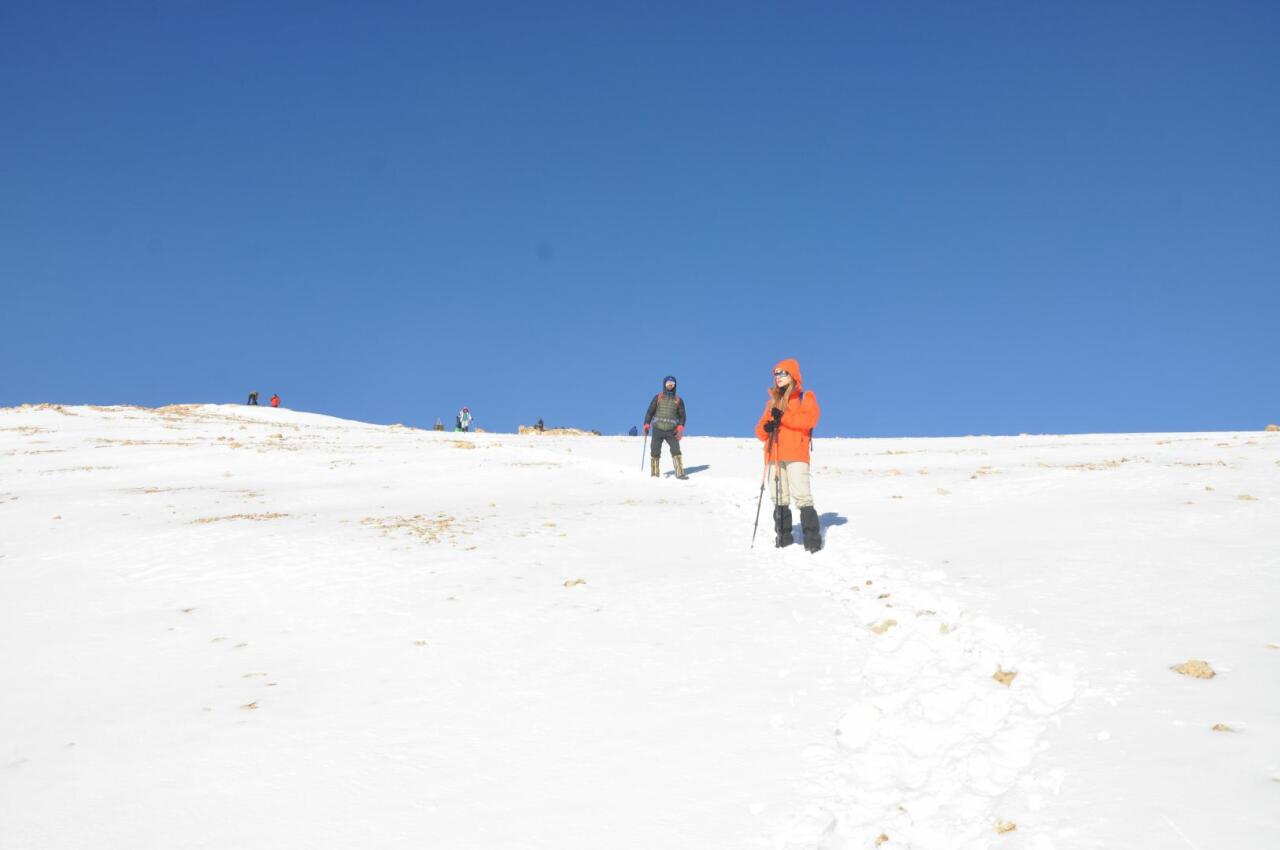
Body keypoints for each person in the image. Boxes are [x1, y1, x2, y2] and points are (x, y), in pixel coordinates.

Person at [755, 358, 821, 552]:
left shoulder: (805, 397)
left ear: (793, 375)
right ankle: (783, 539)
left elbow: (809, 420)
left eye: (782, 373)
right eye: (776, 374)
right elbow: (759, 432)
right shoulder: (772, 403)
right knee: (779, 497)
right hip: (774, 454)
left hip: (796, 454)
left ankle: (812, 542)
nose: (778, 377)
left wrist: (783, 417)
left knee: (802, 496)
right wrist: (768, 427)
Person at [644, 375, 687, 479]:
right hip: (658, 428)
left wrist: (680, 427)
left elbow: (682, 415)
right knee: (655, 450)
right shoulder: (658, 397)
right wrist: (646, 424)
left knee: (676, 449)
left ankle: (680, 472)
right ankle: (654, 472)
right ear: (664, 385)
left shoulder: (678, 400)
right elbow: (650, 412)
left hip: (672, 430)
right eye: (668, 384)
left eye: (672, 384)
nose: (670, 386)